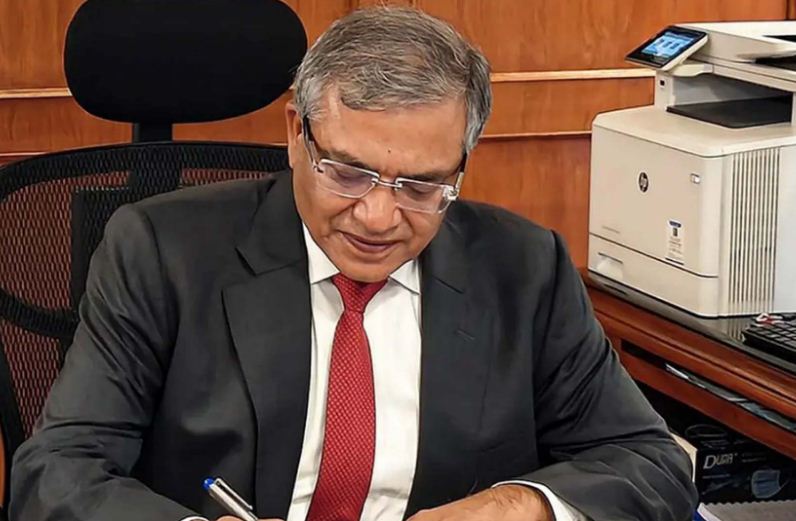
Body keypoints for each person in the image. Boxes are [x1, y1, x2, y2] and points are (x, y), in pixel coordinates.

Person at [10, 7, 697, 521]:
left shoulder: (525, 269)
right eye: (347, 172)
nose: (377, 216)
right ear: (295, 133)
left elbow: (651, 462)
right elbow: (56, 470)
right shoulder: (161, 252)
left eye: (421, 185)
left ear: (461, 164)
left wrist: (518, 505)